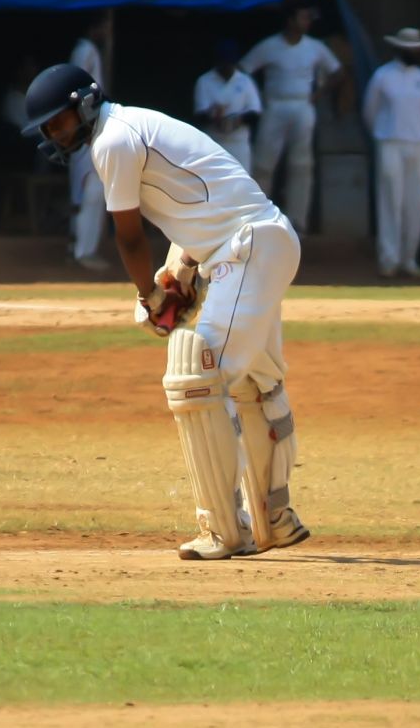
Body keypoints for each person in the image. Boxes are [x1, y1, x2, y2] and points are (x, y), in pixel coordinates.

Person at [21, 63, 310, 561]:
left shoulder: (113, 140)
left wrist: (148, 296)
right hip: (255, 242)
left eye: (59, 120)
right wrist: (182, 266)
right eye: (48, 127)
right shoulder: (133, 125)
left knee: (198, 375)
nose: (55, 132)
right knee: (258, 384)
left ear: (84, 103)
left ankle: (224, 528)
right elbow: (201, 203)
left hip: (248, 248)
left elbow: (129, 235)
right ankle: (275, 519)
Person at [240, 0, 343, 235]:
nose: (307, 22)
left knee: (301, 164)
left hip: (303, 106)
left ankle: (298, 221)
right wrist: (254, 99)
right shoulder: (270, 46)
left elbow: (337, 72)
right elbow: (244, 69)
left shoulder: (314, 47)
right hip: (275, 106)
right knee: (264, 163)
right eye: (303, 17)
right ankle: (257, 217)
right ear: (290, 19)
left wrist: (318, 94)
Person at [363, 26, 420, 279]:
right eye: (409, 49)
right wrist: (383, 134)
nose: (414, 53)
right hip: (389, 141)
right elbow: (370, 111)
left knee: (414, 202)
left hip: (416, 142)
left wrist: (411, 132)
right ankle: (389, 259)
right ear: (398, 49)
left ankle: (409, 259)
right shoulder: (383, 76)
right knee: (391, 200)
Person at [68, 17, 111, 271]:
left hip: (86, 128)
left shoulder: (87, 49)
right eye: (103, 26)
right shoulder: (86, 49)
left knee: (87, 191)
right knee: (89, 191)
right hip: (85, 129)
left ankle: (77, 248)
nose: (106, 31)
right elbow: (76, 89)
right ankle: (82, 251)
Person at [193, 39, 262, 171]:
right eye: (224, 63)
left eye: (230, 63)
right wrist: (214, 116)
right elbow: (200, 115)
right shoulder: (205, 81)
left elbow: (255, 112)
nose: (227, 67)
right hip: (214, 143)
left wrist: (239, 119)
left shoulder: (245, 81)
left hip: (239, 143)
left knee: (241, 184)